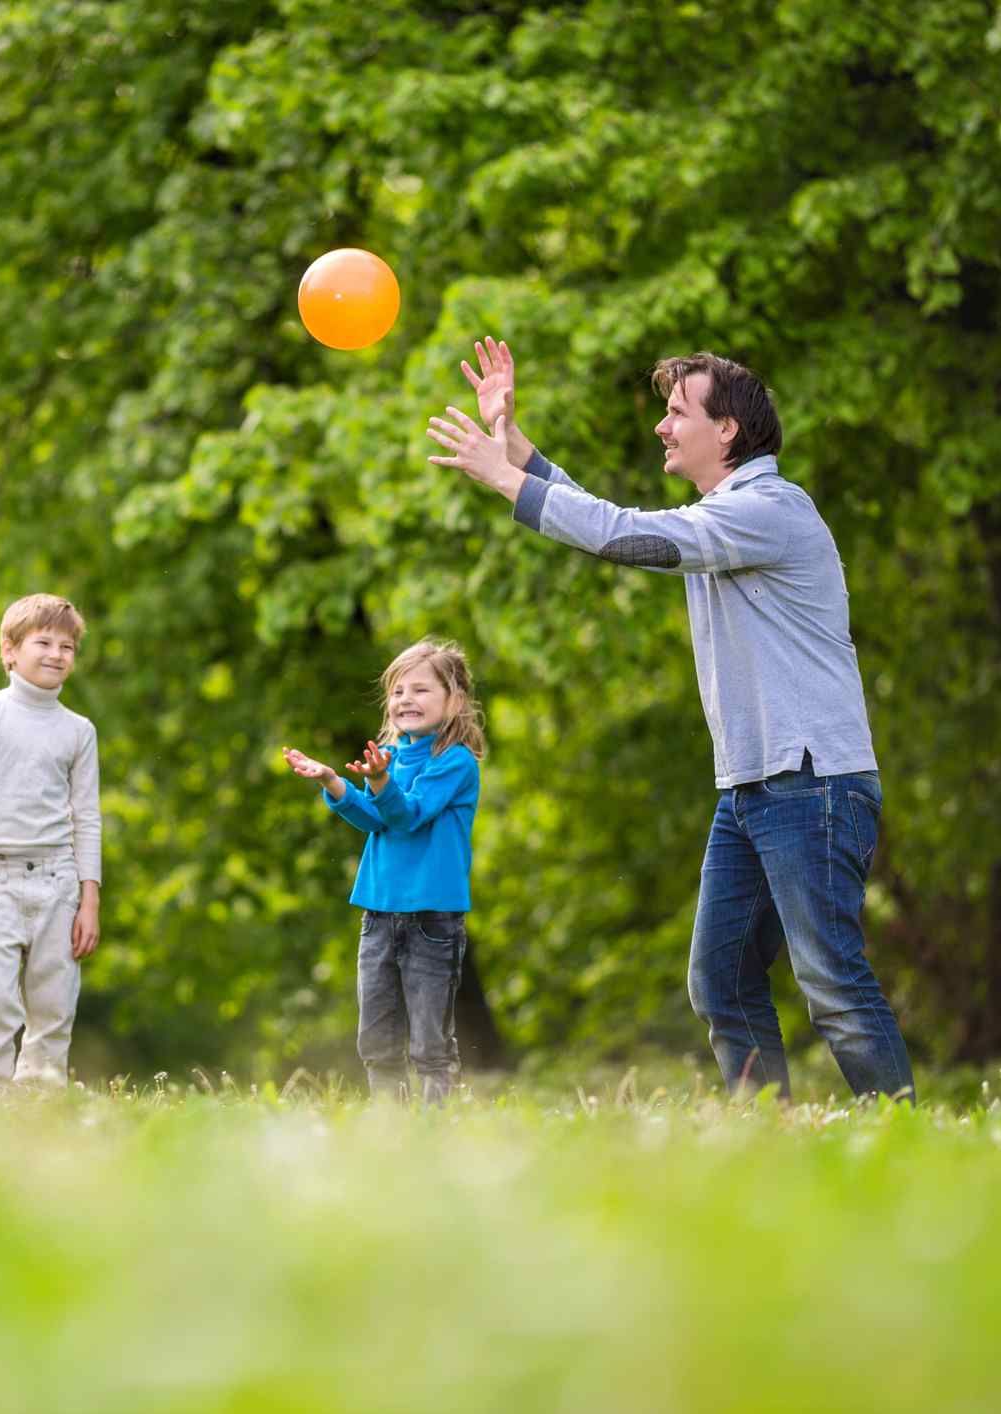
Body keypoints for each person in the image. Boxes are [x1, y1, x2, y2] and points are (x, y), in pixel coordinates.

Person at [425, 338, 913, 1102]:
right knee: (719, 982)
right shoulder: (724, 514)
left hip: (810, 784)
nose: (661, 426)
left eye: (676, 412)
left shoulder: (768, 511)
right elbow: (616, 520)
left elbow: (629, 537)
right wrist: (511, 442)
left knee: (831, 986)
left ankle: (900, 1138)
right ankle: (767, 1139)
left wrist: (505, 479)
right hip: (753, 788)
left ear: (727, 431)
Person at [284, 639, 485, 1104]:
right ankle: (389, 1125)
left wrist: (378, 781)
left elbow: (408, 815)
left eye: (420, 690)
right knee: (376, 1037)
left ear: (454, 701)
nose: (405, 700)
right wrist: (334, 782)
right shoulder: (390, 759)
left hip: (433, 919)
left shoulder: (454, 762)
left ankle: (435, 1123)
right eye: (397, 692)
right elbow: (377, 820)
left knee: (429, 1042)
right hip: (378, 915)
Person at [0, 594, 103, 1089]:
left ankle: (38, 1110)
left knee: (54, 1004)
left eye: (68, 646)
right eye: (44, 642)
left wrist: (89, 899)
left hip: (58, 882)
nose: (57, 654)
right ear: (9, 651)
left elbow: (87, 817)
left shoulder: (78, 731)